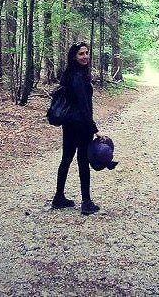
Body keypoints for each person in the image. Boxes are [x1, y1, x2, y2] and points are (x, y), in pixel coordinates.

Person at [52, 41, 102, 215]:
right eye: (81, 54)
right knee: (82, 161)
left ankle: (59, 197)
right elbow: (83, 106)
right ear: (74, 56)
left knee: (66, 159)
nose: (85, 56)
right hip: (80, 125)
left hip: (69, 124)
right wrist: (94, 129)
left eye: (87, 53)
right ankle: (86, 202)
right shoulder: (78, 77)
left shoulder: (70, 74)